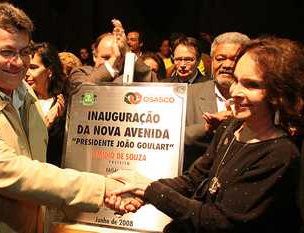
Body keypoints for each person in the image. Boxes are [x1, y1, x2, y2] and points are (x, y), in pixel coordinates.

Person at [0, 2, 132, 232]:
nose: (19, 63)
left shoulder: (23, 90)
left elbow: (38, 165)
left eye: (25, 51)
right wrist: (102, 188)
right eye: (7, 52)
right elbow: (13, 172)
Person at [108, 36, 304, 233]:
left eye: (251, 85)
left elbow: (220, 221)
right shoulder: (231, 127)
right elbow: (193, 180)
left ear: (279, 94)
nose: (235, 91)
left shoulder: (280, 154)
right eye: (236, 80)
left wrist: (151, 190)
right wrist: (139, 193)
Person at [183, 32, 250, 170]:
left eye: (235, 59)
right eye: (220, 58)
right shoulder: (188, 94)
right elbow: (169, 139)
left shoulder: (258, 99)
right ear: (211, 61)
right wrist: (207, 128)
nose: (227, 65)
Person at [69, 20, 155, 85]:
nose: (114, 61)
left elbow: (150, 78)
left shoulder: (128, 76)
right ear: (95, 56)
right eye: (105, 57)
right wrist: (113, 58)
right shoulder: (80, 72)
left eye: (119, 57)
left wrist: (127, 51)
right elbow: (82, 93)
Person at [25, 42, 66, 167]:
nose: (26, 73)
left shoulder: (64, 104)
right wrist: (46, 124)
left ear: (50, 71)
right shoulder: (19, 100)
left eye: (33, 67)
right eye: (25, 67)